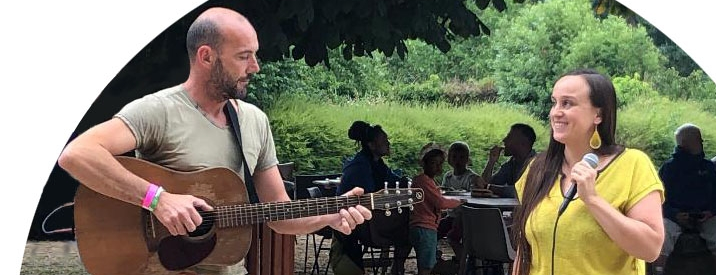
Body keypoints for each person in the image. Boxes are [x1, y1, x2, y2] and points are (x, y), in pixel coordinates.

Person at [56, 7, 372, 275]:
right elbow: (77, 154)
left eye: (255, 56)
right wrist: (158, 200)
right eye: (243, 56)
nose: (255, 67)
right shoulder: (159, 110)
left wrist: (330, 215)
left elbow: (279, 215)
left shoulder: (253, 122)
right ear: (207, 56)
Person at [511, 69, 665, 275]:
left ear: (598, 115)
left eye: (568, 103)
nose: (555, 112)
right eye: (554, 102)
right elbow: (524, 251)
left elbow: (650, 249)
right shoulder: (537, 169)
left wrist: (593, 199)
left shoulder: (633, 164)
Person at [330, 120, 408, 274]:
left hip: (370, 219)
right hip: (358, 224)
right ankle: (402, 266)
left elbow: (393, 180)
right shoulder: (360, 166)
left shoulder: (377, 164)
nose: (388, 143)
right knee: (412, 227)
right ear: (372, 145)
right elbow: (367, 197)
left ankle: (397, 266)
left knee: (411, 223)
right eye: (384, 140)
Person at [653, 124, 716, 275]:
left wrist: (711, 212)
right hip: (676, 216)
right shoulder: (669, 169)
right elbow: (658, 199)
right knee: (662, 236)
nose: (702, 143)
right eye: (698, 140)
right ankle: (657, 272)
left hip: (706, 215)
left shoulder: (709, 167)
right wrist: (674, 214)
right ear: (685, 143)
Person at [407, 142, 462, 275]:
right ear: (424, 164)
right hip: (426, 228)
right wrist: (459, 202)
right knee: (426, 267)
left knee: (425, 262)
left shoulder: (423, 181)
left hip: (419, 227)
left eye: (440, 164)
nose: (437, 167)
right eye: (433, 163)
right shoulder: (424, 181)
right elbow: (440, 203)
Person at [438, 141, 484, 273]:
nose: (458, 161)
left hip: (465, 216)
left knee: (453, 236)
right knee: (434, 231)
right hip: (451, 215)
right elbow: (444, 195)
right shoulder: (448, 176)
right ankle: (437, 260)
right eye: (454, 157)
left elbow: (472, 198)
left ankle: (463, 262)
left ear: (467, 159)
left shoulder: (470, 177)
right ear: (449, 159)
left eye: (462, 157)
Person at [482, 123, 537, 198]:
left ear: (523, 143)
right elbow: (484, 184)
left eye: (509, 137)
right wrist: (491, 161)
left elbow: (521, 192)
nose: (504, 140)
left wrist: (489, 187)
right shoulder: (511, 164)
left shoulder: (537, 165)